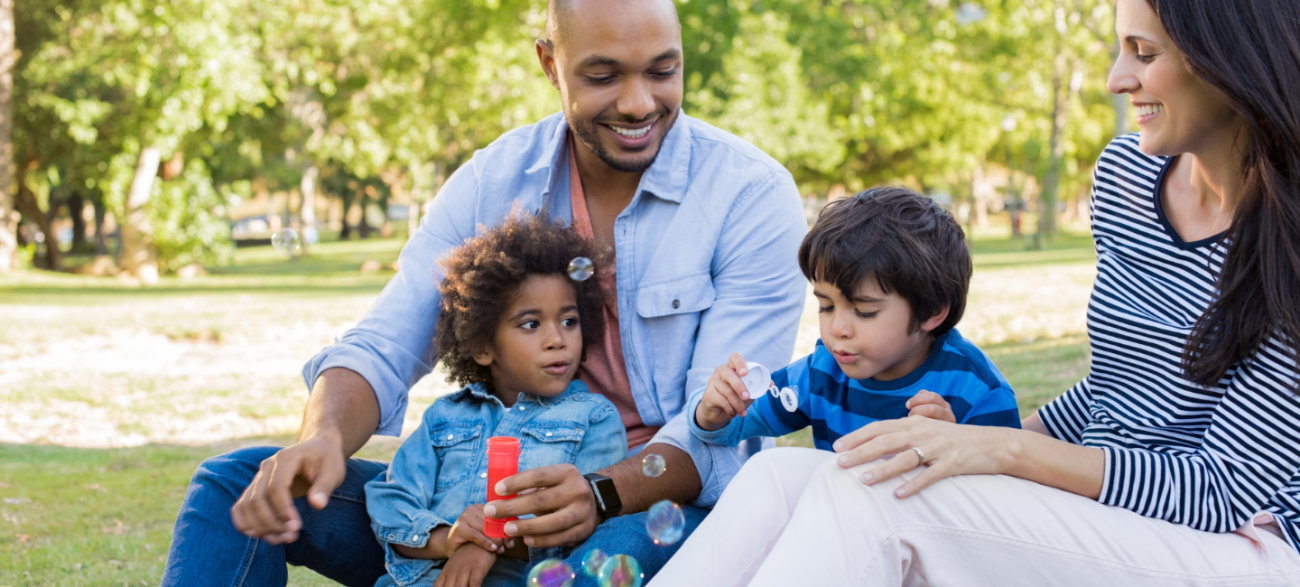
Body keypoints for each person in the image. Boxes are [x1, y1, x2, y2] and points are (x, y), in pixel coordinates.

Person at [652, 0, 1300, 585]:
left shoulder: (1288, 238)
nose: (1116, 78)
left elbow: (1228, 491)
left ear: (1229, 60)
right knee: (777, 480)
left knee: (880, 498)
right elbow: (1119, 392)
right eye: (1119, 48)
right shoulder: (1127, 179)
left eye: (1145, 53)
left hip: (1246, 547)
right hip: (1118, 512)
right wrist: (966, 437)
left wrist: (1003, 449)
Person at [160, 0, 807, 584]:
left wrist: (598, 491)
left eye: (663, 70)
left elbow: (721, 425)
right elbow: (386, 341)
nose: (639, 103)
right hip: (485, 509)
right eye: (603, 76)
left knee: (580, 570)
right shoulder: (492, 181)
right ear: (550, 64)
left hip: (654, 506)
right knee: (237, 483)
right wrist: (324, 438)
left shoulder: (749, 195)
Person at [652, 187, 1022, 586]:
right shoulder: (824, 371)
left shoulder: (975, 389)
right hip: (844, 552)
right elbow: (742, 422)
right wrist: (713, 412)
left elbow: (1000, 516)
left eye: (863, 311)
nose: (836, 329)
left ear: (932, 312)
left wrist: (953, 443)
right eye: (826, 306)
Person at [365, 211, 627, 587]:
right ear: (482, 345)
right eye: (531, 324)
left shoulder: (593, 418)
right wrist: (449, 539)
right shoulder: (445, 417)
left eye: (569, 321)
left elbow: (578, 523)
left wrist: (489, 541)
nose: (557, 339)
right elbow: (391, 501)